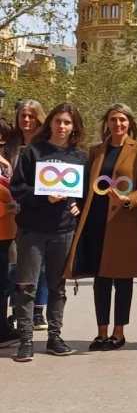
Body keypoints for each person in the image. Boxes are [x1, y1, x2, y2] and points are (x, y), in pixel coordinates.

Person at [65, 104, 137, 351]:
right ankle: (101, 332)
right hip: (97, 220)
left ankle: (118, 333)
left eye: (122, 119)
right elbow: (83, 186)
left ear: (130, 123)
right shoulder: (95, 151)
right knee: (101, 279)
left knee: (122, 279)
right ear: (107, 123)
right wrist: (75, 205)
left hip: (123, 221)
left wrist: (128, 200)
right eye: (113, 119)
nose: (118, 124)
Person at [10, 102, 87, 362]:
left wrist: (78, 205)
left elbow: (84, 194)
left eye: (67, 122)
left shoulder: (79, 157)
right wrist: (43, 197)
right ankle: (26, 340)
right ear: (50, 123)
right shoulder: (33, 152)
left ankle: (55, 337)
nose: (62, 126)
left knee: (58, 286)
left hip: (63, 230)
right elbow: (17, 188)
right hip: (32, 229)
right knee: (26, 286)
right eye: (58, 121)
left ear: (74, 126)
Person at [4, 101, 49, 332]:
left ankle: (39, 311)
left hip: (38, 210)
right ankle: (18, 309)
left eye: (32, 116)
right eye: (23, 115)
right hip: (10, 213)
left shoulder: (46, 146)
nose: (27, 120)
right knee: (14, 265)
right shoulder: (9, 146)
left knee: (39, 264)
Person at [0, 144, 20, 347]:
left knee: (4, 284)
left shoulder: (3, 162)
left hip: (5, 234)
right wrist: (7, 207)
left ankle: (3, 329)